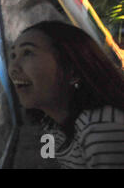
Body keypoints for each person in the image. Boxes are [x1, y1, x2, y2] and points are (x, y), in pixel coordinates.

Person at [8, 21, 124, 169]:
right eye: (13, 55)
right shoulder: (50, 122)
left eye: (28, 53)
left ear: (72, 71)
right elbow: (49, 161)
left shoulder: (100, 130)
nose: (13, 68)